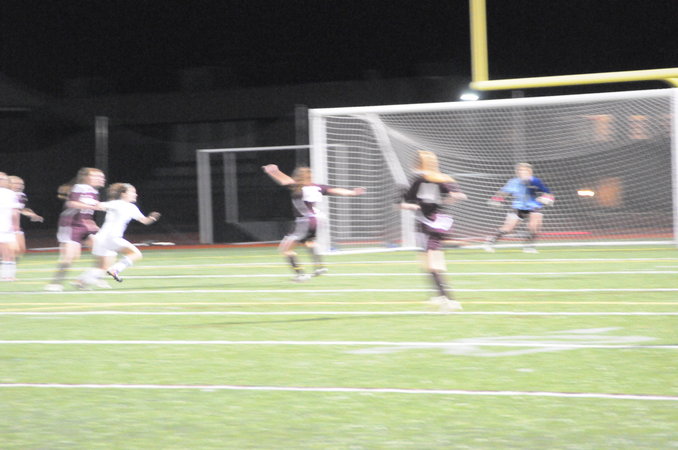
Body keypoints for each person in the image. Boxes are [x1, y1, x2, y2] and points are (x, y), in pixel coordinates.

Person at [262, 164, 365, 281]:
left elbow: (284, 180)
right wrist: (352, 192)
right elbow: (335, 190)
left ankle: (300, 274)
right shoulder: (318, 187)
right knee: (309, 242)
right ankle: (319, 267)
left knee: (286, 249)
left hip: (304, 221)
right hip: (315, 221)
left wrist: (274, 172)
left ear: (298, 176)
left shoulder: (297, 187)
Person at [401, 151, 467, 312]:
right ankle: (441, 296)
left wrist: (409, 204)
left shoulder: (425, 180)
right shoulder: (437, 179)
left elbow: (406, 200)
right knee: (428, 264)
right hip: (429, 224)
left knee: (433, 264)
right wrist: (449, 198)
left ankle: (448, 299)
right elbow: (460, 195)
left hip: (430, 225)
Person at [76, 183, 160, 287]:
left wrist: (152, 218)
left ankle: (81, 282)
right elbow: (99, 205)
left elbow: (144, 221)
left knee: (102, 267)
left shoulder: (129, 207)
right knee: (136, 254)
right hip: (112, 238)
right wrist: (85, 199)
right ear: (123, 194)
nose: (135, 195)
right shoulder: (120, 204)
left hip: (101, 239)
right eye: (132, 192)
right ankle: (115, 270)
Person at [45, 167, 106, 291]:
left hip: (85, 225)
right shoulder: (80, 187)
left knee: (102, 251)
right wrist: (94, 207)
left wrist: (91, 222)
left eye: (101, 177)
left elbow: (86, 212)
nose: (101, 179)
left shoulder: (94, 191)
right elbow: (71, 203)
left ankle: (82, 281)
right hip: (71, 224)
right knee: (71, 256)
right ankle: (55, 283)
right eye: (96, 176)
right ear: (85, 177)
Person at [483, 162, 554, 253]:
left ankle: (529, 247)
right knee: (508, 229)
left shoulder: (536, 181)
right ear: (518, 172)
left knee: (534, 226)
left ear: (529, 171)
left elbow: (547, 193)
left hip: (533, 206)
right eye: (520, 170)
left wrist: (546, 199)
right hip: (519, 207)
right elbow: (504, 192)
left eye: (525, 170)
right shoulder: (514, 182)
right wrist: (496, 199)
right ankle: (490, 242)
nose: (522, 172)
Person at [8, 175, 44, 260]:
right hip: (4, 226)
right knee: (12, 249)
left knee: (21, 250)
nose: (20, 186)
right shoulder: (3, 195)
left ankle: (9, 265)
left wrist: (32, 214)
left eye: (22, 184)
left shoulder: (21, 196)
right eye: (16, 183)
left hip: (15, 227)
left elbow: (22, 208)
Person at [0, 172, 21, 281]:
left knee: (7, 252)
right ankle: (8, 275)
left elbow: (15, 212)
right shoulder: (11, 194)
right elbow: (15, 212)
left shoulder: (11, 194)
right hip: (6, 227)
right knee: (8, 252)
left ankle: (7, 275)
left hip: (6, 226)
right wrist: (16, 225)